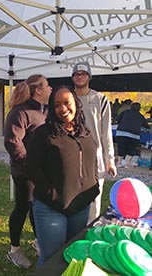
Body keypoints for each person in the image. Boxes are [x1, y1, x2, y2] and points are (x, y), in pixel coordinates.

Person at [26, 85, 100, 267]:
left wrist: (92, 186)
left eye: (67, 103)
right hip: (51, 207)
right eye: (57, 105)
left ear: (76, 103)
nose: (63, 109)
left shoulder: (85, 132)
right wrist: (51, 194)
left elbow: (90, 163)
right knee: (51, 259)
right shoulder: (44, 134)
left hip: (80, 206)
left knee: (72, 255)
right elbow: (31, 168)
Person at [4, 74, 52, 268]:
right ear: (38, 90)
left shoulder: (44, 111)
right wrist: (31, 165)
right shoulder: (20, 113)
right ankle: (14, 250)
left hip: (40, 172)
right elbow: (13, 142)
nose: (50, 89)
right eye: (47, 85)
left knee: (37, 207)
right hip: (24, 173)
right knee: (23, 206)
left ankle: (38, 240)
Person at [71, 61, 117, 224]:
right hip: (72, 154)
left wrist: (109, 160)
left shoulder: (100, 99)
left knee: (93, 198)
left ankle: (90, 229)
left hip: (95, 157)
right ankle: (74, 230)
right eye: (76, 74)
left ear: (89, 77)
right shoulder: (68, 98)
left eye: (83, 74)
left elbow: (106, 132)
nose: (80, 76)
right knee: (72, 194)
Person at [116, 102, 150, 168]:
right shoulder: (140, 116)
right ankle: (127, 163)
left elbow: (117, 119)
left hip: (121, 133)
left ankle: (119, 163)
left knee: (121, 147)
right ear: (139, 109)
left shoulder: (125, 112)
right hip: (134, 135)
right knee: (131, 149)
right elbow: (147, 126)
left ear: (131, 107)